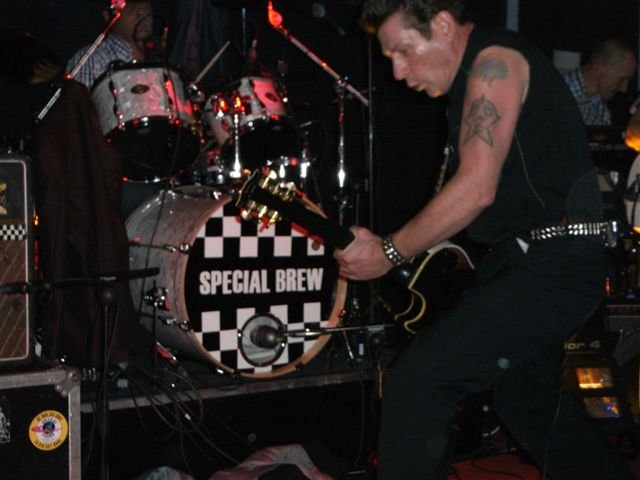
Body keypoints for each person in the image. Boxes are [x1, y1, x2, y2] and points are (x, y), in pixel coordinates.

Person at [334, 1, 634, 479]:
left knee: (419, 381)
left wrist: (389, 252)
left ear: (443, 24)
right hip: (535, 261)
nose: (398, 71)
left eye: (404, 51)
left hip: (554, 263)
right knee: (527, 403)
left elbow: (476, 188)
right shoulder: (474, 78)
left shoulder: (495, 61)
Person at [65, 0, 153, 89]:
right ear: (109, 16)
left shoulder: (156, 55)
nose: (142, 13)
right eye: (131, 8)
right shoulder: (90, 60)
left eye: (146, 8)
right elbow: (77, 97)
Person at [563, 37, 637, 126]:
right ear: (601, 67)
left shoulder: (602, 113)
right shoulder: (554, 90)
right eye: (621, 79)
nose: (624, 89)